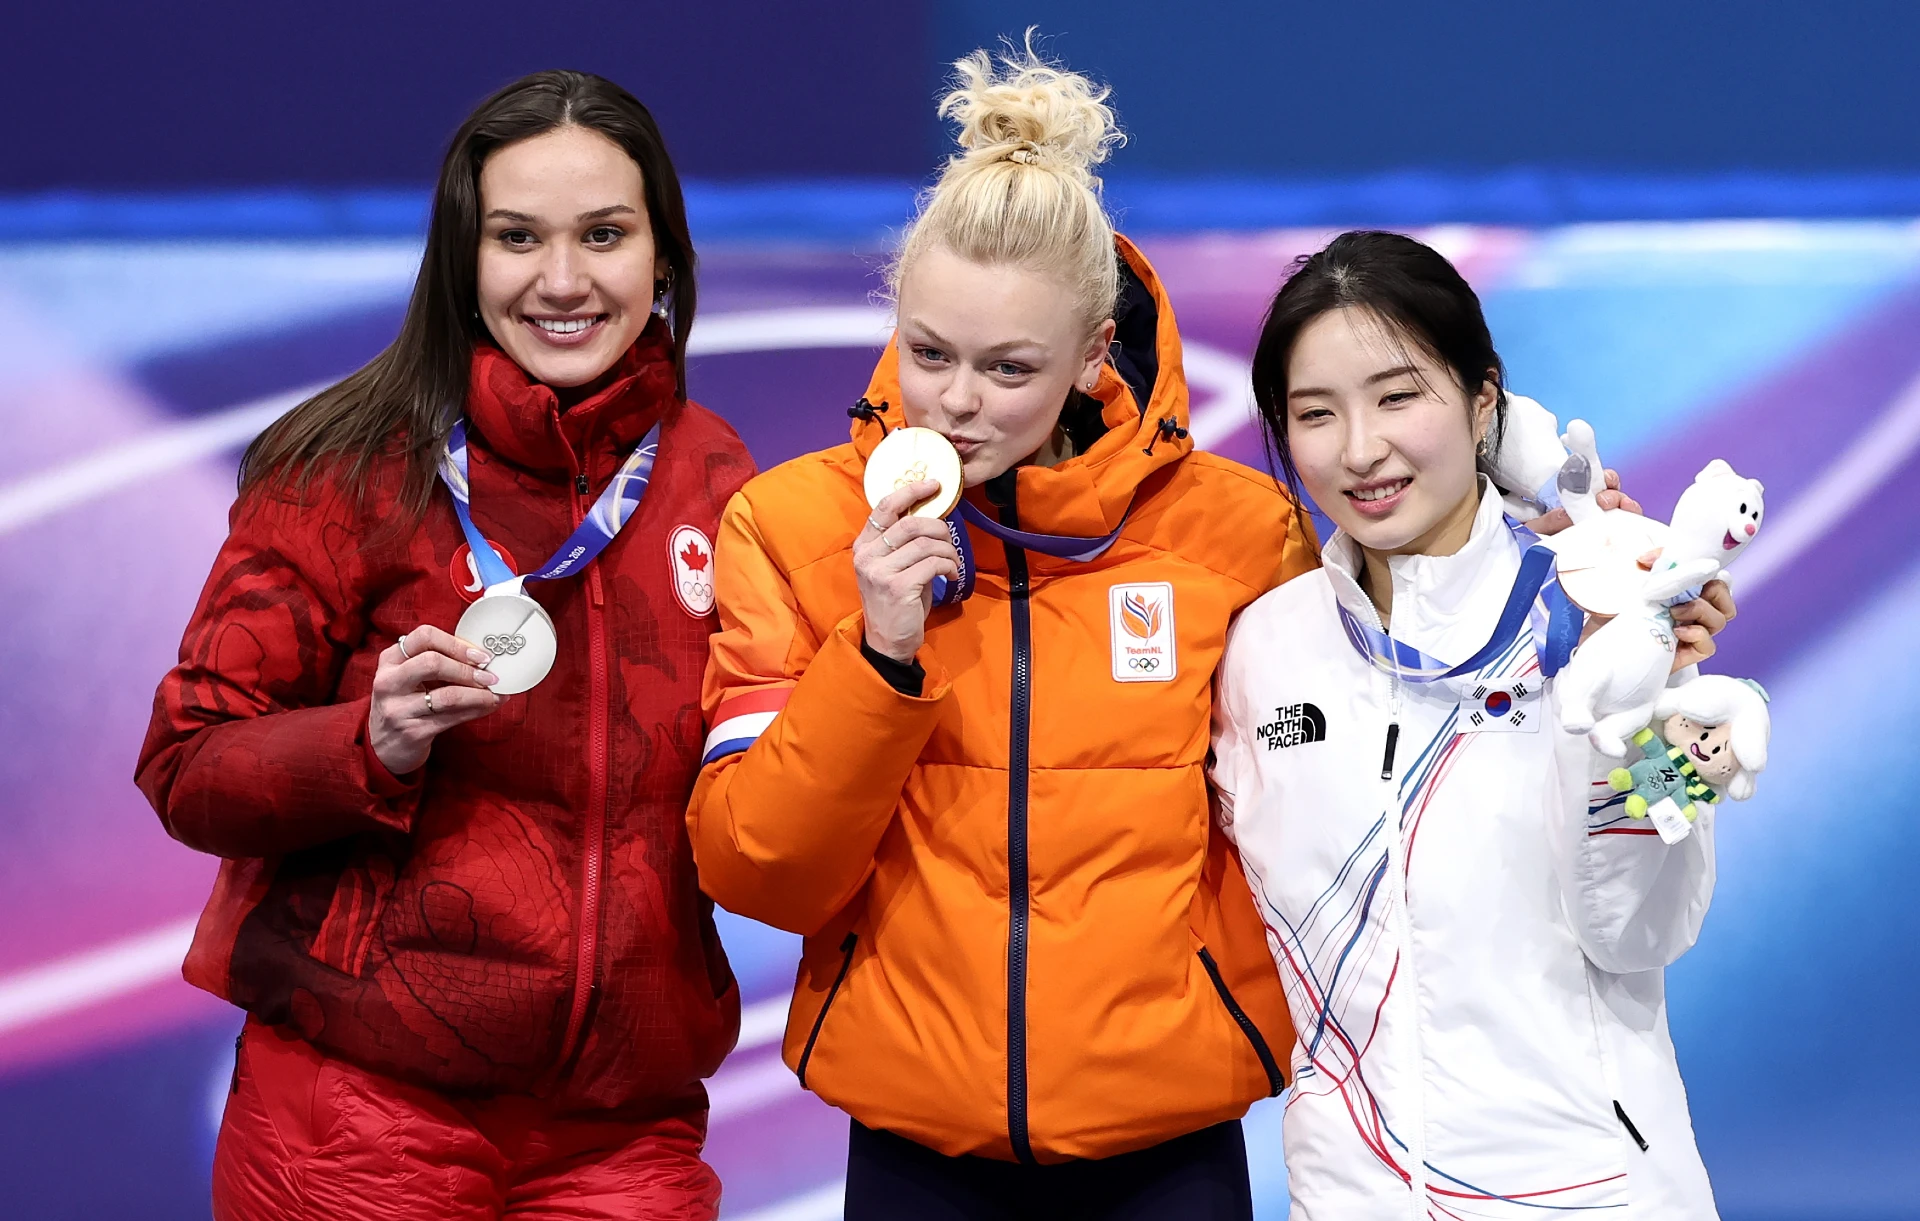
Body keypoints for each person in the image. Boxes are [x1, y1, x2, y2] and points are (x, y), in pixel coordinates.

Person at [685, 40, 1305, 1220]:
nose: (958, 402)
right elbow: (756, 870)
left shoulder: (1237, 534)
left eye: (1009, 368)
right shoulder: (793, 526)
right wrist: (875, 656)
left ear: (1089, 358)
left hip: (1170, 1142)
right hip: (918, 1145)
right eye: (930, 355)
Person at [135, 70, 753, 1220]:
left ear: (662, 257)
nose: (561, 281)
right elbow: (186, 761)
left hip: (628, 1128)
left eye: (604, 236)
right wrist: (366, 744)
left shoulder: (717, 477)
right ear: (464, 257)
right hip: (364, 1113)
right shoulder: (346, 469)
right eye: (517, 237)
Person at [1210, 230, 1738, 1218]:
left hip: (1594, 1195)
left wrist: (1656, 732)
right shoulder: (1261, 655)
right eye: (1315, 414)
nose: (1360, 449)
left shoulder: (1603, 614)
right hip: (1350, 1195)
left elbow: (1652, 924)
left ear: (1483, 399)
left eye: (1399, 396)